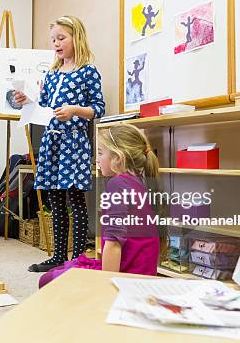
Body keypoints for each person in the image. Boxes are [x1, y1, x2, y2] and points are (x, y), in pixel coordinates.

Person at [14, 15, 105, 272]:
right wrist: (26, 100)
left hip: (74, 143)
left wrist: (75, 110)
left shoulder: (88, 71)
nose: (56, 43)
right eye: (53, 39)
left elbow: (98, 108)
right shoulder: (52, 74)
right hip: (51, 143)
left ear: (77, 37)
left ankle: (76, 259)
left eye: (61, 38)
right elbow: (42, 107)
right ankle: (57, 257)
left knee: (75, 199)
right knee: (54, 200)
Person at [39, 125, 163, 287]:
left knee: (46, 280)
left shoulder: (117, 184)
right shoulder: (138, 182)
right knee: (64, 269)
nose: (96, 159)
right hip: (141, 275)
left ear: (117, 158)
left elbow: (113, 245)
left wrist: (105, 289)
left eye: (100, 153)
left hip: (125, 278)